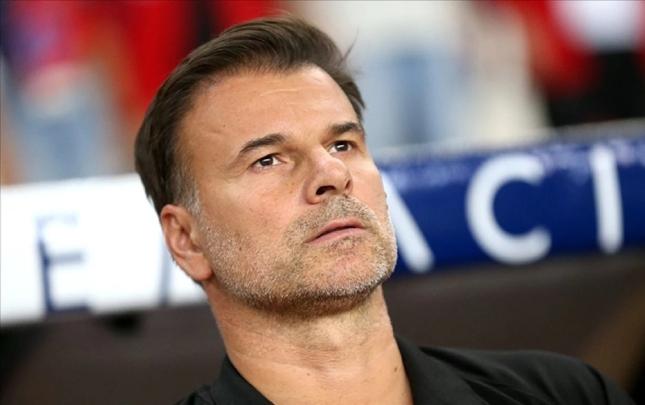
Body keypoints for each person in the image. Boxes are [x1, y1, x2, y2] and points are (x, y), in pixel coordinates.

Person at [134, 15, 635, 405]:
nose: (332, 174)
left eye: (343, 144)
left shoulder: (566, 394)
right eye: (268, 160)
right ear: (186, 239)